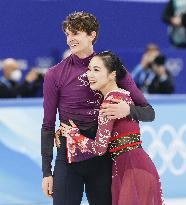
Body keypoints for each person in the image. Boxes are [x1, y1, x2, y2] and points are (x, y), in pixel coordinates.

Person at [41, 11, 155, 205]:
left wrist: (128, 110)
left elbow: (149, 112)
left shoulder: (112, 69)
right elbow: (47, 125)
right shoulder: (55, 74)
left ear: (92, 35)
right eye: (68, 34)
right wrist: (46, 173)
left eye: (76, 33)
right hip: (69, 159)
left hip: (104, 158)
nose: (70, 39)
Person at [58, 51, 164, 205]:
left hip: (131, 168)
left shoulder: (110, 102)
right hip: (132, 165)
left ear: (112, 75)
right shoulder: (121, 95)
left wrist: (73, 134)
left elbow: (100, 148)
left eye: (96, 70)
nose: (90, 75)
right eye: (89, 69)